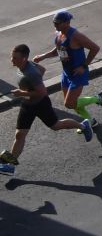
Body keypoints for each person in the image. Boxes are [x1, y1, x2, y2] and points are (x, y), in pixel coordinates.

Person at [1, 43, 95, 175]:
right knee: (20, 134)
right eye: (12, 57)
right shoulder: (27, 65)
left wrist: (22, 93)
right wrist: (27, 91)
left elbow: (42, 92)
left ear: (23, 58)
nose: (12, 60)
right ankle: (10, 166)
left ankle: (83, 125)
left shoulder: (31, 73)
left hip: (40, 104)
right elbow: (43, 70)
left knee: (56, 125)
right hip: (28, 105)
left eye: (15, 58)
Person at [39, 10, 102, 123]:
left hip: (78, 73)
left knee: (69, 104)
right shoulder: (59, 34)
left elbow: (95, 48)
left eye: (57, 22)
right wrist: (43, 56)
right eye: (54, 22)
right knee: (72, 103)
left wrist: (83, 66)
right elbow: (58, 51)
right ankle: (91, 122)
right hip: (66, 73)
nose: (55, 25)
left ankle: (99, 99)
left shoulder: (76, 36)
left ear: (67, 22)